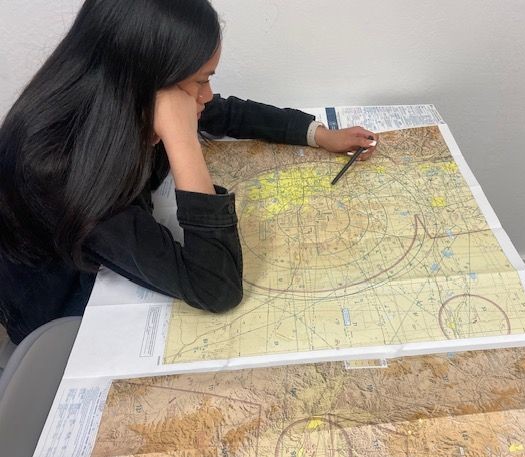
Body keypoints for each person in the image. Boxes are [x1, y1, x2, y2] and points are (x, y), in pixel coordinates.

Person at [0, 0, 378, 344]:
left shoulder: (118, 97)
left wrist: (319, 134)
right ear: (149, 82)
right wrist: (182, 140)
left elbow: (226, 112)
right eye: (200, 80)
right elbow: (216, 287)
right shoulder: (64, 170)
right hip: (63, 316)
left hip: (103, 255)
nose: (208, 94)